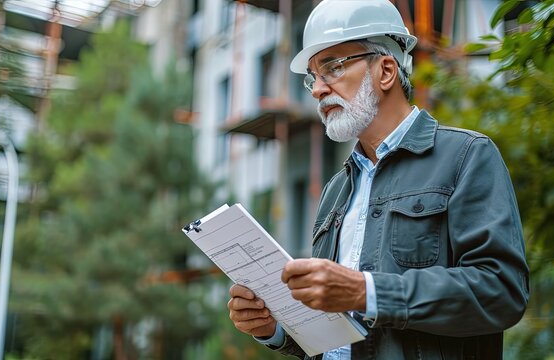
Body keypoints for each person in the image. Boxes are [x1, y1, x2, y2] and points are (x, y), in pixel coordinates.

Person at [227, 0, 529, 359]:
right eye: (312, 77)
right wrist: (275, 330)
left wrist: (366, 292)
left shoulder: (467, 156)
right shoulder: (335, 191)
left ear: (385, 71)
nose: (317, 89)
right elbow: (338, 335)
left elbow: (501, 292)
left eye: (332, 68)